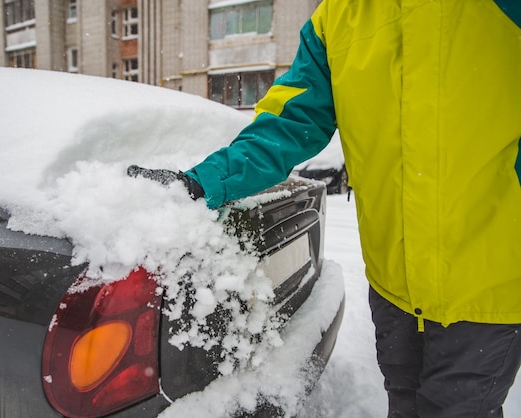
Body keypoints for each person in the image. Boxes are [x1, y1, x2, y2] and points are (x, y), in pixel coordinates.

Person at [129, 1, 521, 416]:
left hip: (489, 281)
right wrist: (201, 182)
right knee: (403, 401)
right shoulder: (340, 15)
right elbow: (289, 122)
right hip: (394, 282)